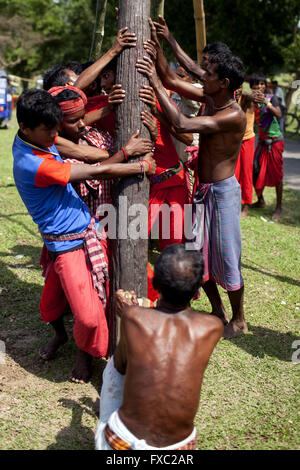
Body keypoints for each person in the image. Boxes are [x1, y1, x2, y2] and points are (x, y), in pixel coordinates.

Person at [12, 89, 155, 383]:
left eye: (56, 127)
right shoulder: (34, 163)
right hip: (65, 245)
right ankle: (71, 340)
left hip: (85, 231)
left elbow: (83, 153)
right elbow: (96, 172)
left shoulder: (32, 136)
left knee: (87, 308)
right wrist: (138, 165)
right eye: (48, 130)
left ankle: (86, 353)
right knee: (61, 310)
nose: (55, 136)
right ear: (25, 127)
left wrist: (124, 151)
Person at [136, 20, 247, 339]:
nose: (202, 74)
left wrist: (155, 84)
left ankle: (238, 318)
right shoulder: (212, 97)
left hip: (223, 193)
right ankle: (217, 311)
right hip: (202, 188)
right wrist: (160, 45)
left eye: (209, 73)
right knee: (201, 255)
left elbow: (183, 121)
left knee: (226, 258)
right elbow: (172, 76)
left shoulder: (232, 115)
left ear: (223, 82)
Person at [95, 244, 223, 450]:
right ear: (197, 288)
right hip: (178, 448)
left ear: (155, 283)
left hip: (122, 441)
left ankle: (104, 420)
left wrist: (131, 312)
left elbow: (121, 366)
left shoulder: (133, 317)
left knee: (115, 366)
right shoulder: (212, 327)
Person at [250, 73, 284, 221]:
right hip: (262, 142)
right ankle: (261, 200)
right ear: (252, 86)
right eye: (256, 84)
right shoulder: (251, 101)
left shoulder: (271, 98)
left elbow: (279, 114)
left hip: (275, 141)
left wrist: (266, 102)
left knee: (276, 174)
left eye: (262, 84)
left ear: (266, 86)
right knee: (254, 170)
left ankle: (278, 207)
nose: (259, 87)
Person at [234, 87, 255, 217]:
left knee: (246, 172)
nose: (238, 90)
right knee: (234, 172)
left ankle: (246, 205)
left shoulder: (246, 99)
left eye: (239, 87)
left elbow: (248, 99)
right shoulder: (229, 98)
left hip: (247, 140)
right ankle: (233, 203)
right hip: (235, 140)